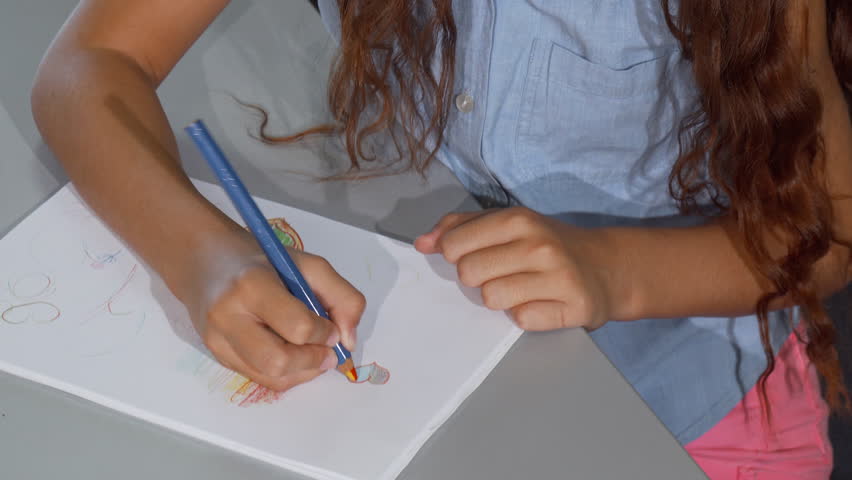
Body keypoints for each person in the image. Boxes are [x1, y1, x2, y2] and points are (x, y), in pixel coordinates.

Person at [31, 0, 851, 477]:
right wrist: (204, 256)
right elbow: (86, 65)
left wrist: (614, 271)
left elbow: (832, 233)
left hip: (689, 406)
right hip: (435, 382)